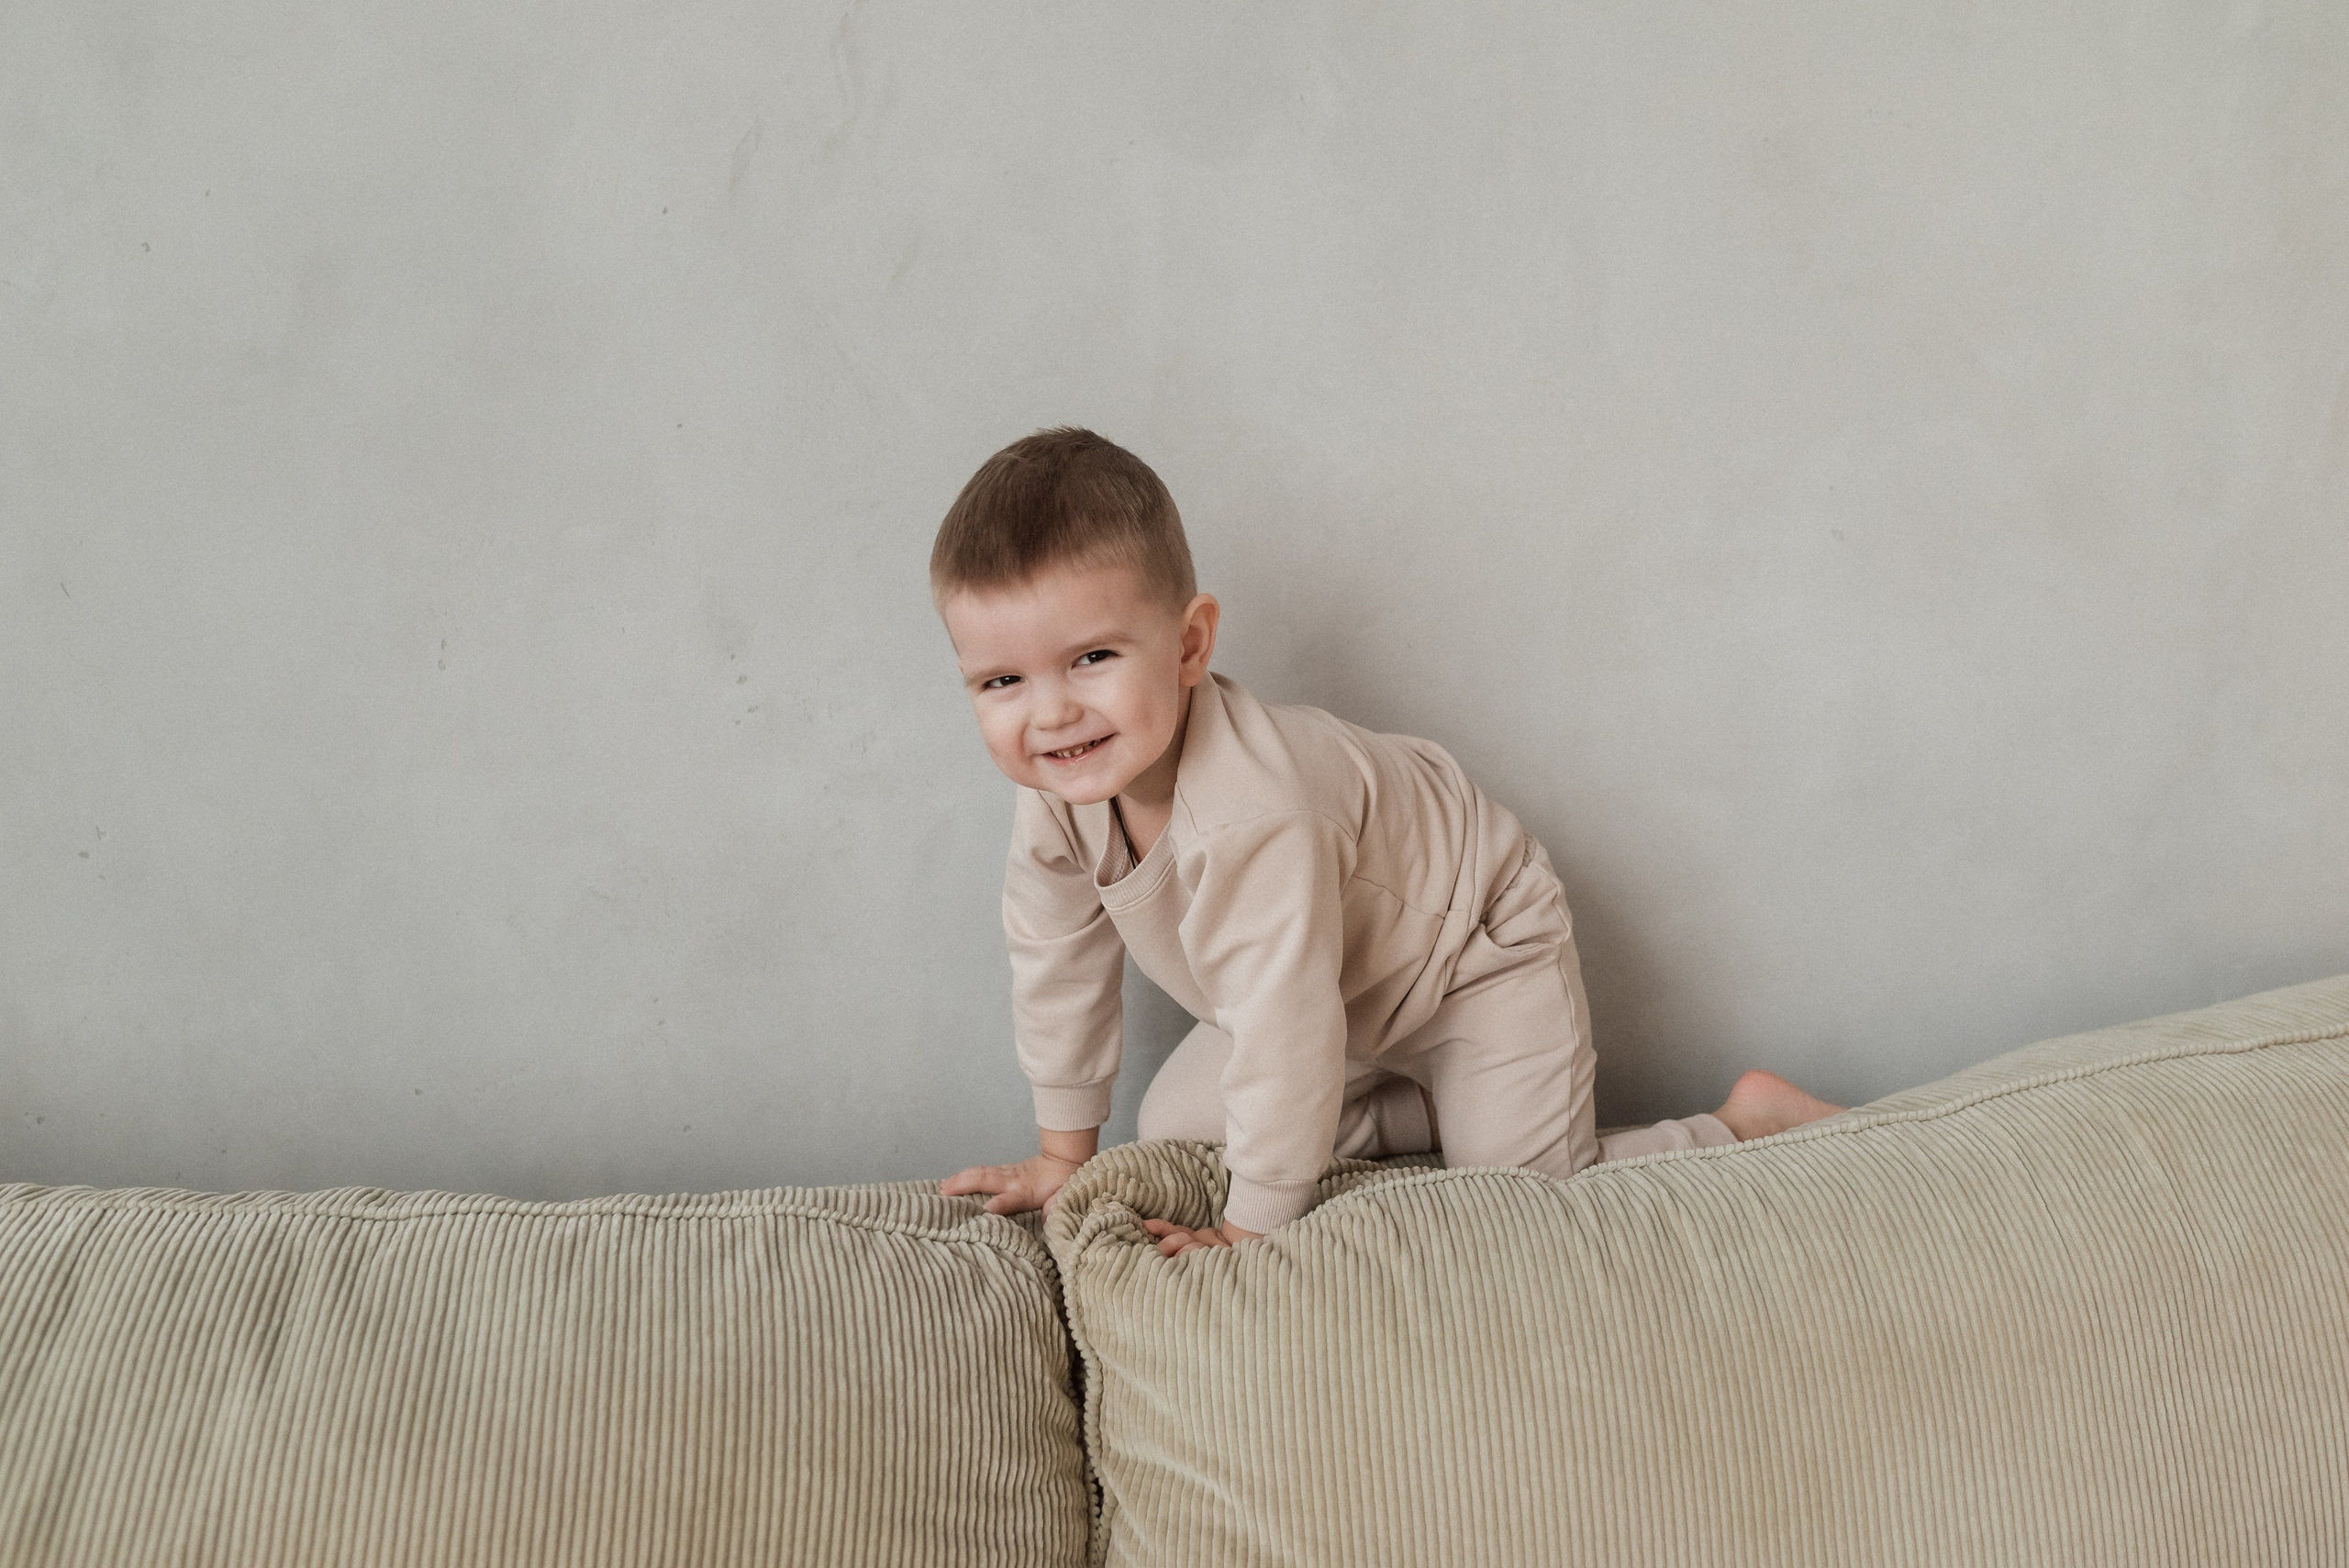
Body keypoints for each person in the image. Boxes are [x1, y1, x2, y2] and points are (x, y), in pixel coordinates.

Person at [935, 428, 1842, 1255]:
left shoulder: (1253, 811)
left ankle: (1743, 1122)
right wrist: (1063, 1152)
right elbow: (1056, 967)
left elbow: (1284, 1024)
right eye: (1002, 680)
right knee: (1175, 1124)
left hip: (1472, 955)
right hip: (1344, 991)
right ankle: (1440, 1105)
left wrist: (1252, 1224)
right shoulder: (1060, 793)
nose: (1050, 713)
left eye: (1092, 657)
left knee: (1516, 1205)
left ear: (1188, 645)